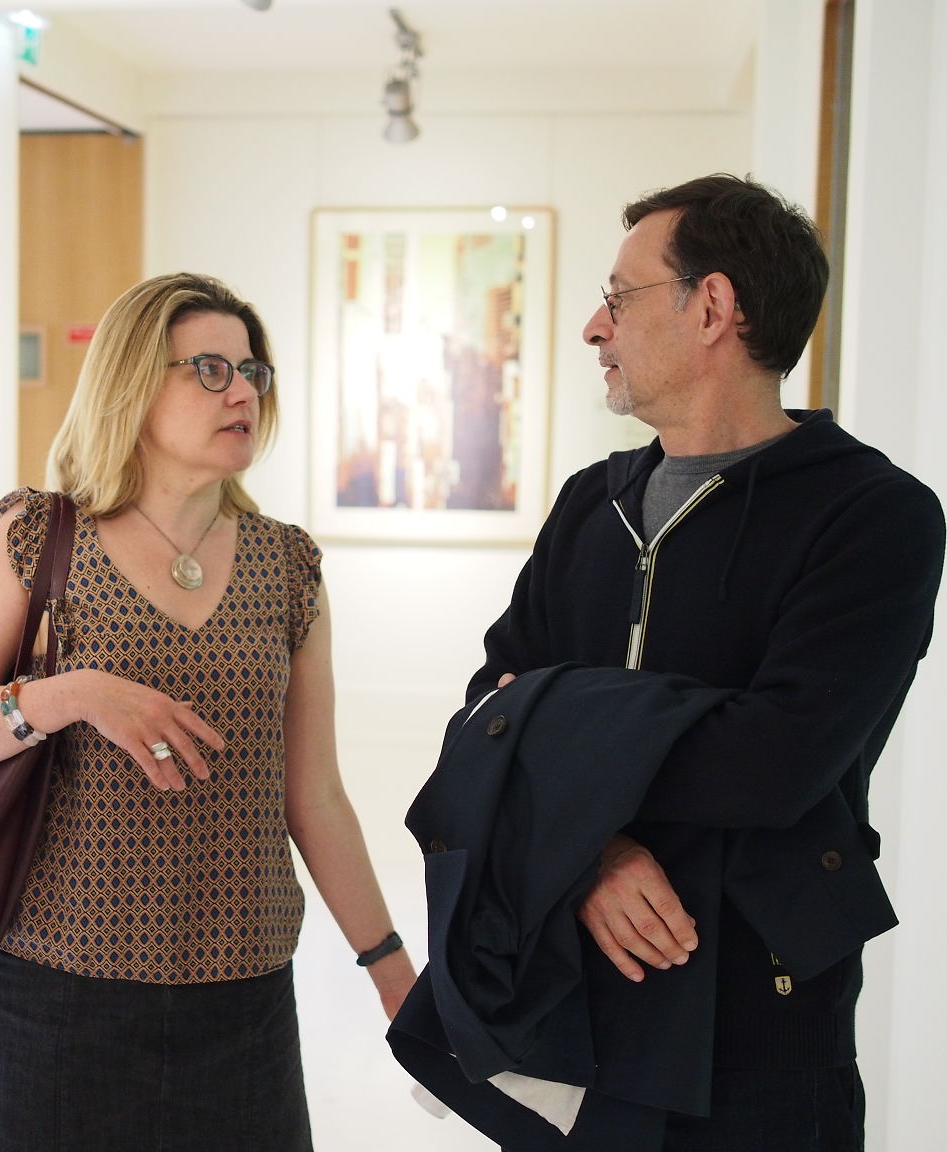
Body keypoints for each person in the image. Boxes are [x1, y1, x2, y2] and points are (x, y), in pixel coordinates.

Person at [400, 174, 943, 1150]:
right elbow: (486, 714)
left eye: (619, 297)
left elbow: (774, 762)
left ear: (713, 307)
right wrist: (593, 852)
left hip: (759, 1023)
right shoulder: (590, 502)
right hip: (579, 1000)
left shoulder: (874, 516)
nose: (593, 328)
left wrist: (554, 729)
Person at [0, 272, 417, 1151]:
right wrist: (73, 693)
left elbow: (315, 795)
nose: (243, 393)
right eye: (210, 370)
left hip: (244, 996)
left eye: (253, 371)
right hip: (61, 992)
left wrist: (390, 967)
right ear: (133, 385)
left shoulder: (285, 566)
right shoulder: (40, 538)